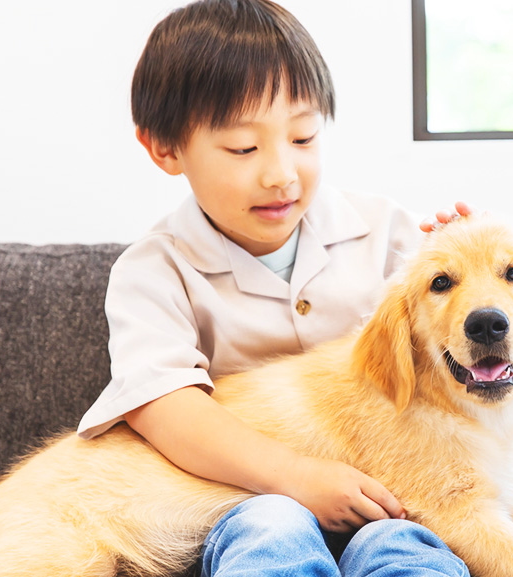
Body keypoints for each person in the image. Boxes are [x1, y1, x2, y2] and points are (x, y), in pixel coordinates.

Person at [76, 1, 471, 575]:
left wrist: (466, 266)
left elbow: (457, 357)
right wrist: (296, 478)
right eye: (243, 148)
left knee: (406, 545)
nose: (281, 173)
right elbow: (163, 407)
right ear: (165, 149)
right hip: (245, 500)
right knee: (273, 528)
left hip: (392, 489)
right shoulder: (153, 270)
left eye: (304, 138)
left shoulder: (391, 233)